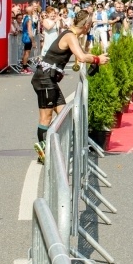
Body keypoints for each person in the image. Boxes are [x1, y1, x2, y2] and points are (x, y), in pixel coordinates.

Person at [32, 9, 109, 164]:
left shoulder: (71, 35)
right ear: (86, 25)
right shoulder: (70, 35)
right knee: (46, 118)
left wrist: (91, 57)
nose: (91, 26)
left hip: (50, 79)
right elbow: (81, 57)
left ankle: (54, 145)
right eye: (91, 24)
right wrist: (96, 59)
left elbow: (81, 54)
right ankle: (43, 152)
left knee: (64, 116)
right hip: (45, 79)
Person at [21, 6, 34, 74]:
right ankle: (24, 67)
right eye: (32, 9)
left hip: (25, 36)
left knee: (25, 52)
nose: (33, 10)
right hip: (27, 37)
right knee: (27, 52)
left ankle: (24, 67)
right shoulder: (28, 19)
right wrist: (33, 41)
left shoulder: (26, 18)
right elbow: (30, 30)